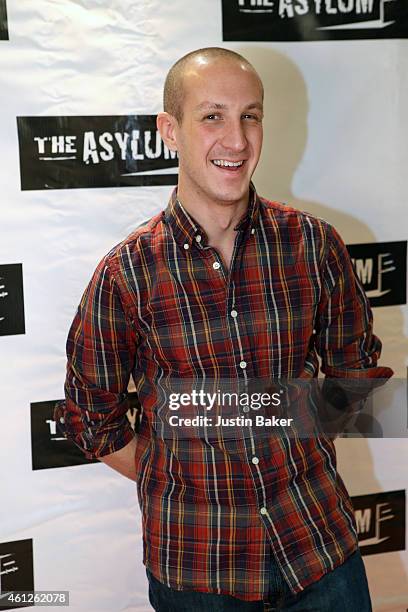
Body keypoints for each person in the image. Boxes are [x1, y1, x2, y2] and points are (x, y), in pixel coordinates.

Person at [54, 47, 393, 611]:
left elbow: (353, 371)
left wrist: (295, 436)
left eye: (250, 116)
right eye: (212, 116)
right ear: (171, 130)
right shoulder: (129, 273)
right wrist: (178, 474)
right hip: (197, 572)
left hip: (320, 552)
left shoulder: (313, 245)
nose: (236, 140)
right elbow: (91, 418)